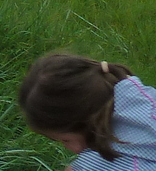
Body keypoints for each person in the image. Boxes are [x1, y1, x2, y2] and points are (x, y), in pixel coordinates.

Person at [19, 54, 156, 171]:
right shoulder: (145, 103)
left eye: (65, 140)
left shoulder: (96, 166)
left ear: (89, 124)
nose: (67, 147)